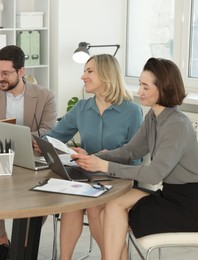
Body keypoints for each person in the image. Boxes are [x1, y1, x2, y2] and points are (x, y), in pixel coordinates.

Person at [71, 57, 198, 260]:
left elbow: (155, 173)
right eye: (140, 84)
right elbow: (131, 150)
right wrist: (93, 157)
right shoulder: (154, 117)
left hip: (189, 205)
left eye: (145, 87)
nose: (139, 92)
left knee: (112, 209)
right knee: (111, 205)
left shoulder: (177, 124)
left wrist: (104, 166)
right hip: (171, 194)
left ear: (164, 88)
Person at [42, 54, 143, 260]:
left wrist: (97, 158)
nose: (83, 76)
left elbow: (136, 158)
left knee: (93, 202)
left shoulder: (132, 111)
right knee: (72, 202)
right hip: (87, 176)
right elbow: (52, 138)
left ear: (106, 74)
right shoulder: (82, 108)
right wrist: (32, 140)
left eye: (89, 71)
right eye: (84, 71)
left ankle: (109, 256)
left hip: (118, 180)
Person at [0, 45, 57, 260]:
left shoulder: (45, 96)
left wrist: (19, 139)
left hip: (33, 163)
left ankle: (25, 243)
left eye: (6, 73)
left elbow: (50, 129)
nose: (0, 78)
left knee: (39, 195)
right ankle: (4, 243)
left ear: (21, 72)